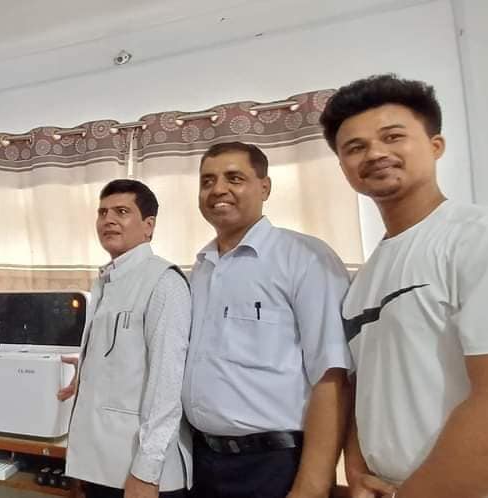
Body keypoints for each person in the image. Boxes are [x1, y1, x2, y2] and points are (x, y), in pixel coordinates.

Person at [322, 74, 488, 498]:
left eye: (392, 136)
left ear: (436, 145)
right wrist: (359, 469)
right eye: (355, 147)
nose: (375, 153)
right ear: (343, 168)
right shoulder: (364, 279)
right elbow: (371, 388)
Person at [183, 142, 352, 498]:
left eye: (234, 178)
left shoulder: (305, 258)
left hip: (273, 465)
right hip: (201, 462)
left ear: (265, 187)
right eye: (207, 181)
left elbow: (333, 377)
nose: (218, 189)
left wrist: (312, 486)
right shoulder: (200, 268)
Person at [60, 179, 192, 498]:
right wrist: (88, 371)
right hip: (101, 463)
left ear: (148, 226)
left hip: (140, 472)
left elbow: (167, 386)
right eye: (102, 212)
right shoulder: (107, 280)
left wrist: (146, 471)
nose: (108, 220)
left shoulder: (164, 281)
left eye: (121, 212)